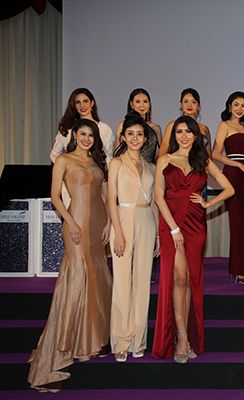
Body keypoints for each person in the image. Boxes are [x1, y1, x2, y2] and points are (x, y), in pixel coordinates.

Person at [29, 119, 112, 392]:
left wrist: (109, 223)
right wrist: (71, 222)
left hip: (98, 225)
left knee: (97, 280)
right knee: (76, 280)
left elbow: (104, 196)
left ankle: (87, 343)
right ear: (74, 135)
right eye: (82, 134)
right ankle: (59, 350)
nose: (87, 138)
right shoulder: (64, 160)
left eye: (91, 135)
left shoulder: (98, 162)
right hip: (75, 222)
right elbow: (55, 196)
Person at [152, 115, 234, 363]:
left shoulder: (203, 160)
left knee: (189, 280)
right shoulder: (165, 160)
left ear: (195, 135)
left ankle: (186, 333)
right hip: (171, 223)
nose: (184, 136)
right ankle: (182, 337)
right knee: (178, 278)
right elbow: (158, 197)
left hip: (195, 225)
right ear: (174, 135)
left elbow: (229, 188)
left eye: (188, 131)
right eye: (179, 132)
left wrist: (208, 203)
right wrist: (174, 229)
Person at [108, 114, 158, 362]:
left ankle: (139, 340)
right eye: (131, 134)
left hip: (147, 221)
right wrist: (117, 232)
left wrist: (158, 234)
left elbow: (155, 202)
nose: (135, 138)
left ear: (145, 138)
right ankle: (120, 340)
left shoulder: (151, 167)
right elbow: (110, 200)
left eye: (139, 134)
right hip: (123, 219)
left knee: (142, 283)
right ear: (123, 137)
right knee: (122, 282)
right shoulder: (116, 163)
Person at [212, 91, 244, 284]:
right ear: (229, 106)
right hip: (233, 176)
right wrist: (239, 165)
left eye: (243, 106)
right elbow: (215, 154)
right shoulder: (224, 125)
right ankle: (240, 270)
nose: (240, 109)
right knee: (236, 223)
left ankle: (236, 267)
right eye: (236, 104)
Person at [50, 88, 114, 163]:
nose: (82, 105)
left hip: (96, 169)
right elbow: (54, 154)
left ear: (92, 103)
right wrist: (67, 166)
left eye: (85, 101)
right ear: (74, 106)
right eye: (78, 102)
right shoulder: (67, 128)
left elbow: (109, 157)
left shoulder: (104, 129)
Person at [114, 88, 162, 163]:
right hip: (128, 167)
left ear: (149, 104)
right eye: (138, 102)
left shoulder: (156, 128)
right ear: (132, 104)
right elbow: (117, 153)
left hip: (150, 168)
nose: (142, 105)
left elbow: (158, 155)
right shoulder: (123, 125)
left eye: (145, 102)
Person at [160, 88, 212, 156]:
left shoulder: (204, 129)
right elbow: (163, 150)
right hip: (178, 161)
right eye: (186, 101)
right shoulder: (172, 125)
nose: (189, 105)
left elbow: (208, 154)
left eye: (193, 102)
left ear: (198, 106)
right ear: (181, 104)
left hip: (200, 162)